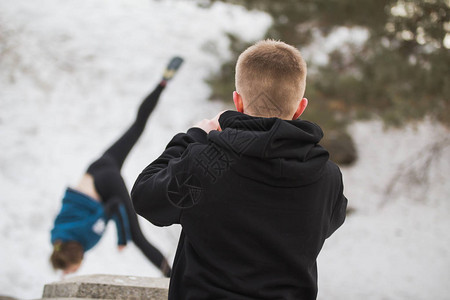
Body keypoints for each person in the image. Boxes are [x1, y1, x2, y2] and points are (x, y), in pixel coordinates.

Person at [131, 40, 347, 299]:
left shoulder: (206, 166)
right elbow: (330, 220)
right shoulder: (328, 177)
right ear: (300, 107)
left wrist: (195, 137)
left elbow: (144, 197)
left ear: (238, 102)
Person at [50, 56, 184, 277]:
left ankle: (171, 276)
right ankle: (162, 83)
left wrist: (123, 238)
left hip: (105, 183)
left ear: (74, 258)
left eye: (69, 270)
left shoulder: (84, 235)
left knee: (137, 238)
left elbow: (113, 205)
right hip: (96, 168)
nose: (69, 273)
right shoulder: (57, 237)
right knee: (136, 127)